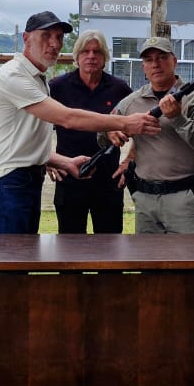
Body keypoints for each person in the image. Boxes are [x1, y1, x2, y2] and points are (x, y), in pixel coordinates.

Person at [0, 10, 159, 235]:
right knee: (11, 258)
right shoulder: (15, 77)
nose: (54, 43)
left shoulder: (38, 79)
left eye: (58, 37)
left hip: (44, 177)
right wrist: (124, 123)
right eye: (46, 36)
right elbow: (68, 118)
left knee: (22, 256)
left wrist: (62, 162)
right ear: (26, 39)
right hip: (11, 179)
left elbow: (25, 140)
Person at [102, 37, 194, 234]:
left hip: (184, 200)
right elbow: (104, 129)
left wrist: (178, 119)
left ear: (174, 61)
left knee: (187, 262)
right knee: (147, 263)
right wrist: (110, 130)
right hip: (145, 200)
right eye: (148, 60)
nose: (155, 64)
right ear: (143, 67)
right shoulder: (131, 102)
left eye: (162, 57)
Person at [48, 29, 132, 233]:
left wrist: (130, 160)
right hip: (69, 178)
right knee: (69, 248)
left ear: (105, 58)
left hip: (108, 180)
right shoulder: (57, 87)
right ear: (76, 56)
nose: (91, 56)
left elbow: (139, 125)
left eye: (97, 52)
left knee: (110, 247)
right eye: (85, 51)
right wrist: (48, 160)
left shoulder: (119, 88)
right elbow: (35, 126)